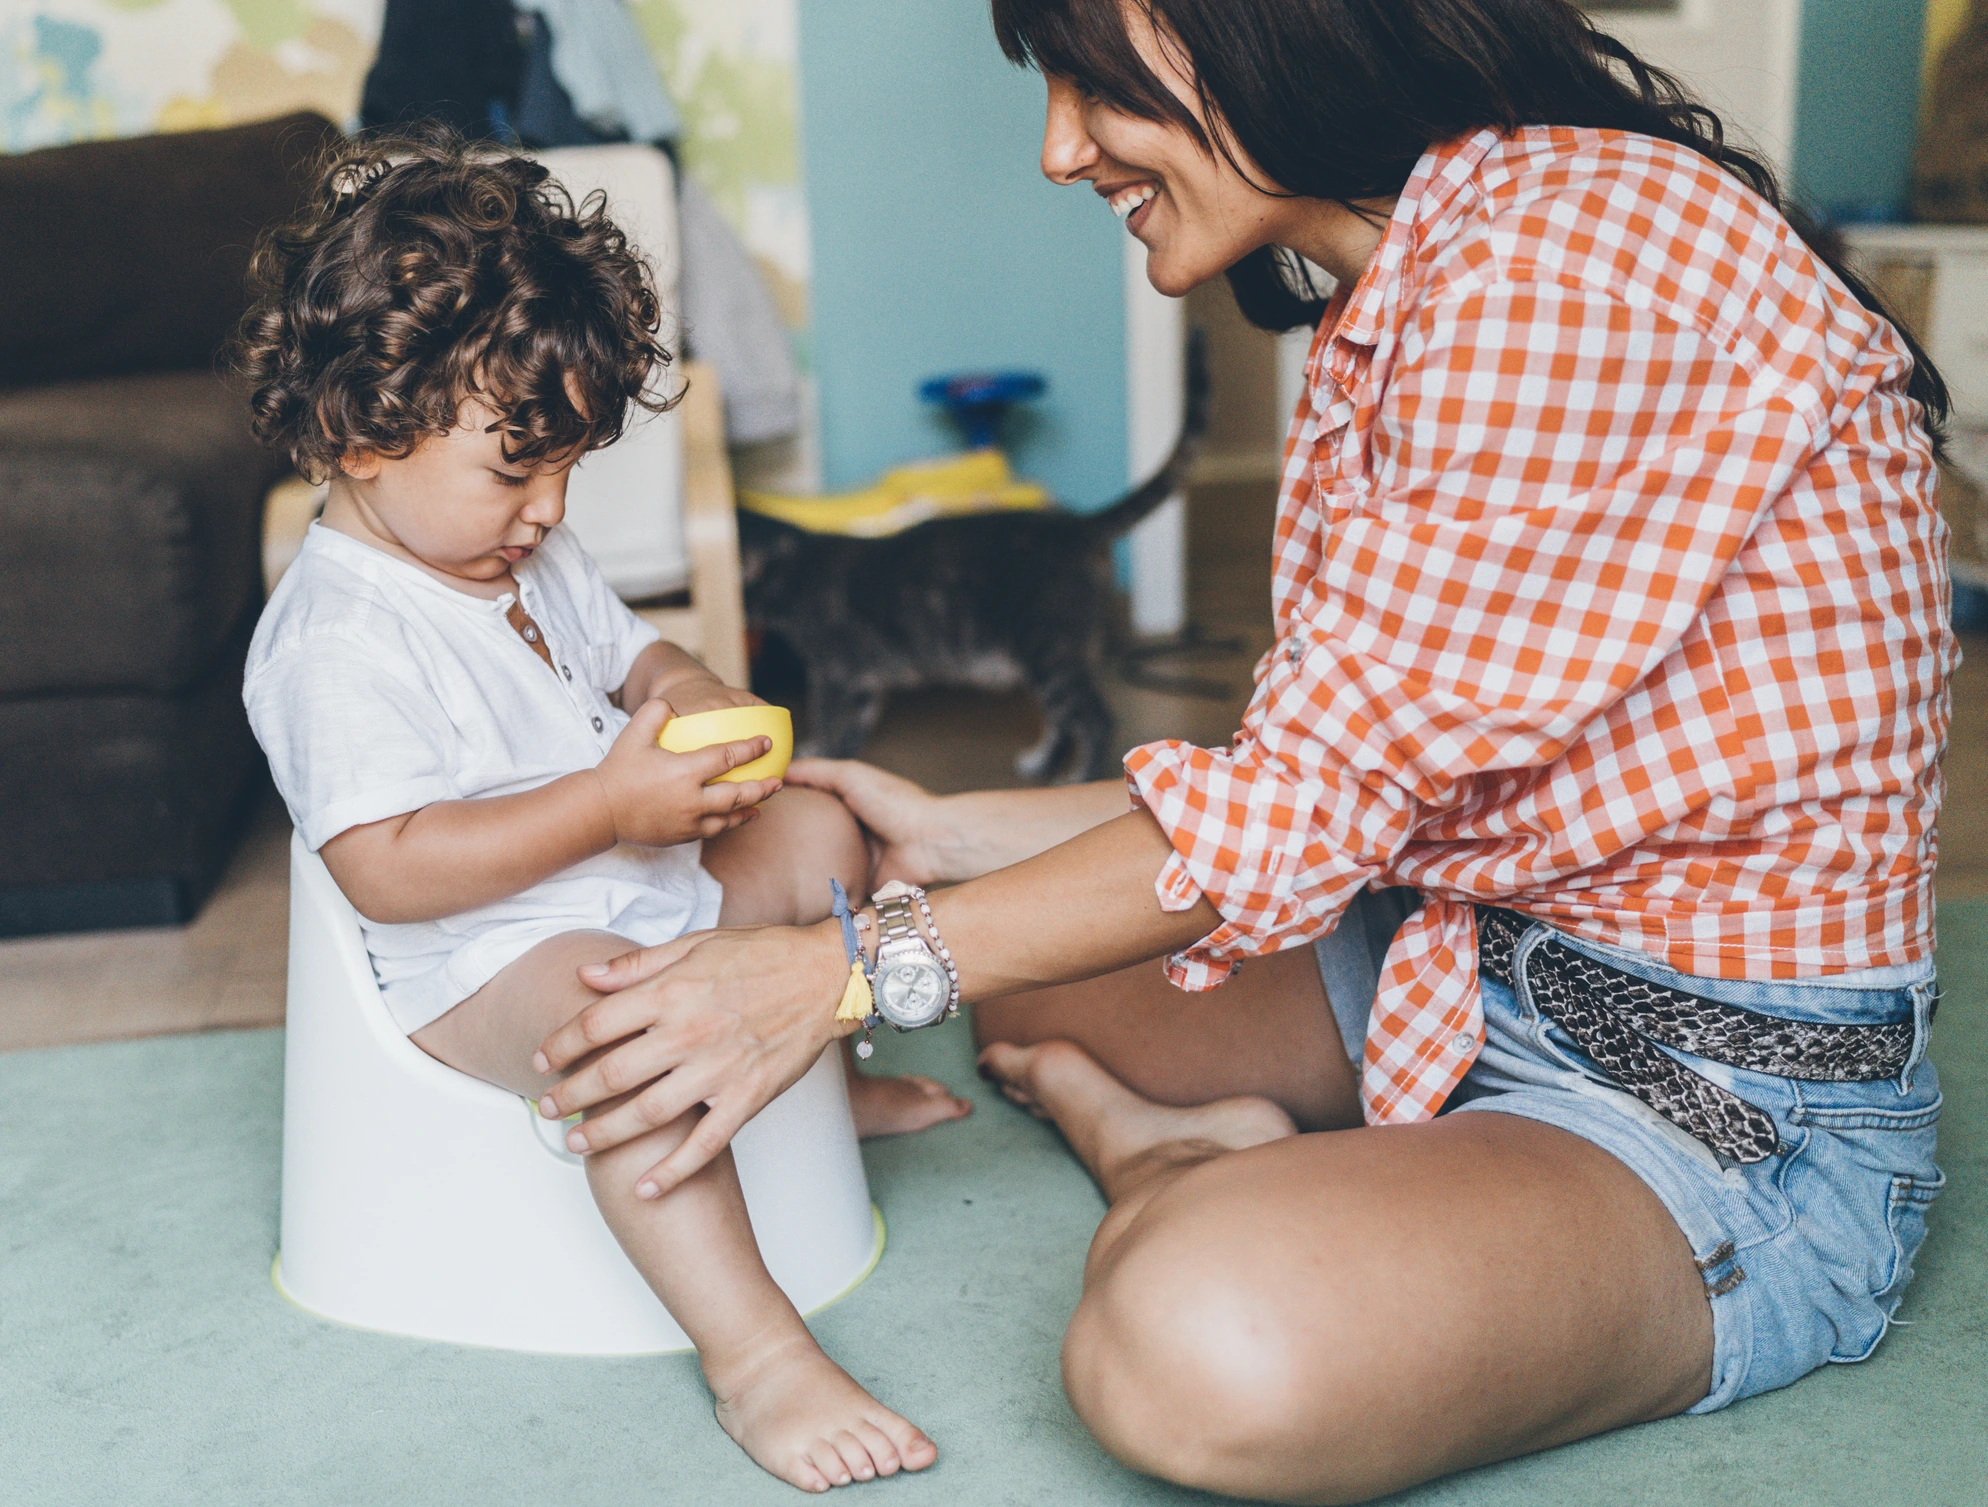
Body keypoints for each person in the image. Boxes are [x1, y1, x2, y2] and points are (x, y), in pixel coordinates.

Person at [527, 1, 1955, 1500]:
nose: (1059, 149)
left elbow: (1292, 806)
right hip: (1467, 954)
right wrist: (950, 839)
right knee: (1026, 981)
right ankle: (1160, 1126)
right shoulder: (1414, 272)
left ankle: (1160, 1161)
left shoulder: (1560, 265)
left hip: (1718, 1107)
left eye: (1092, 86)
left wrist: (841, 967)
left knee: (1191, 1341)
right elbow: (1347, 770)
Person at [236, 130, 965, 1494]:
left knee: (820, 828)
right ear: (358, 433)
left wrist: (689, 694)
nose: (550, 508)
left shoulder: (528, 552)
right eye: (515, 471)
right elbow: (388, 870)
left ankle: (804, 1081)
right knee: (620, 1031)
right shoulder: (336, 638)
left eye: (566, 466)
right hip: (487, 960)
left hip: (636, 891)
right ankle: (757, 1358)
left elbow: (635, 654)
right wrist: (607, 802)